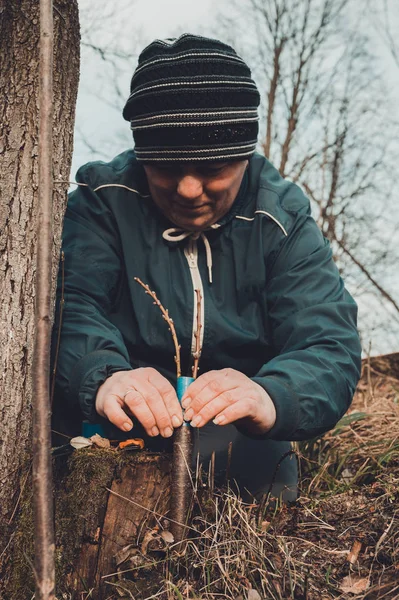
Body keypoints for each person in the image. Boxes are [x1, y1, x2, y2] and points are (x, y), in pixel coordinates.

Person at [51, 33, 362, 501]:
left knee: (266, 484)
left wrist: (271, 396)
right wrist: (103, 375)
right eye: (167, 167)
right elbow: (69, 307)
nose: (189, 189)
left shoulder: (280, 218)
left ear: (243, 155)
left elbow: (326, 341)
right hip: (106, 419)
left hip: (234, 431)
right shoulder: (102, 203)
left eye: (212, 167)